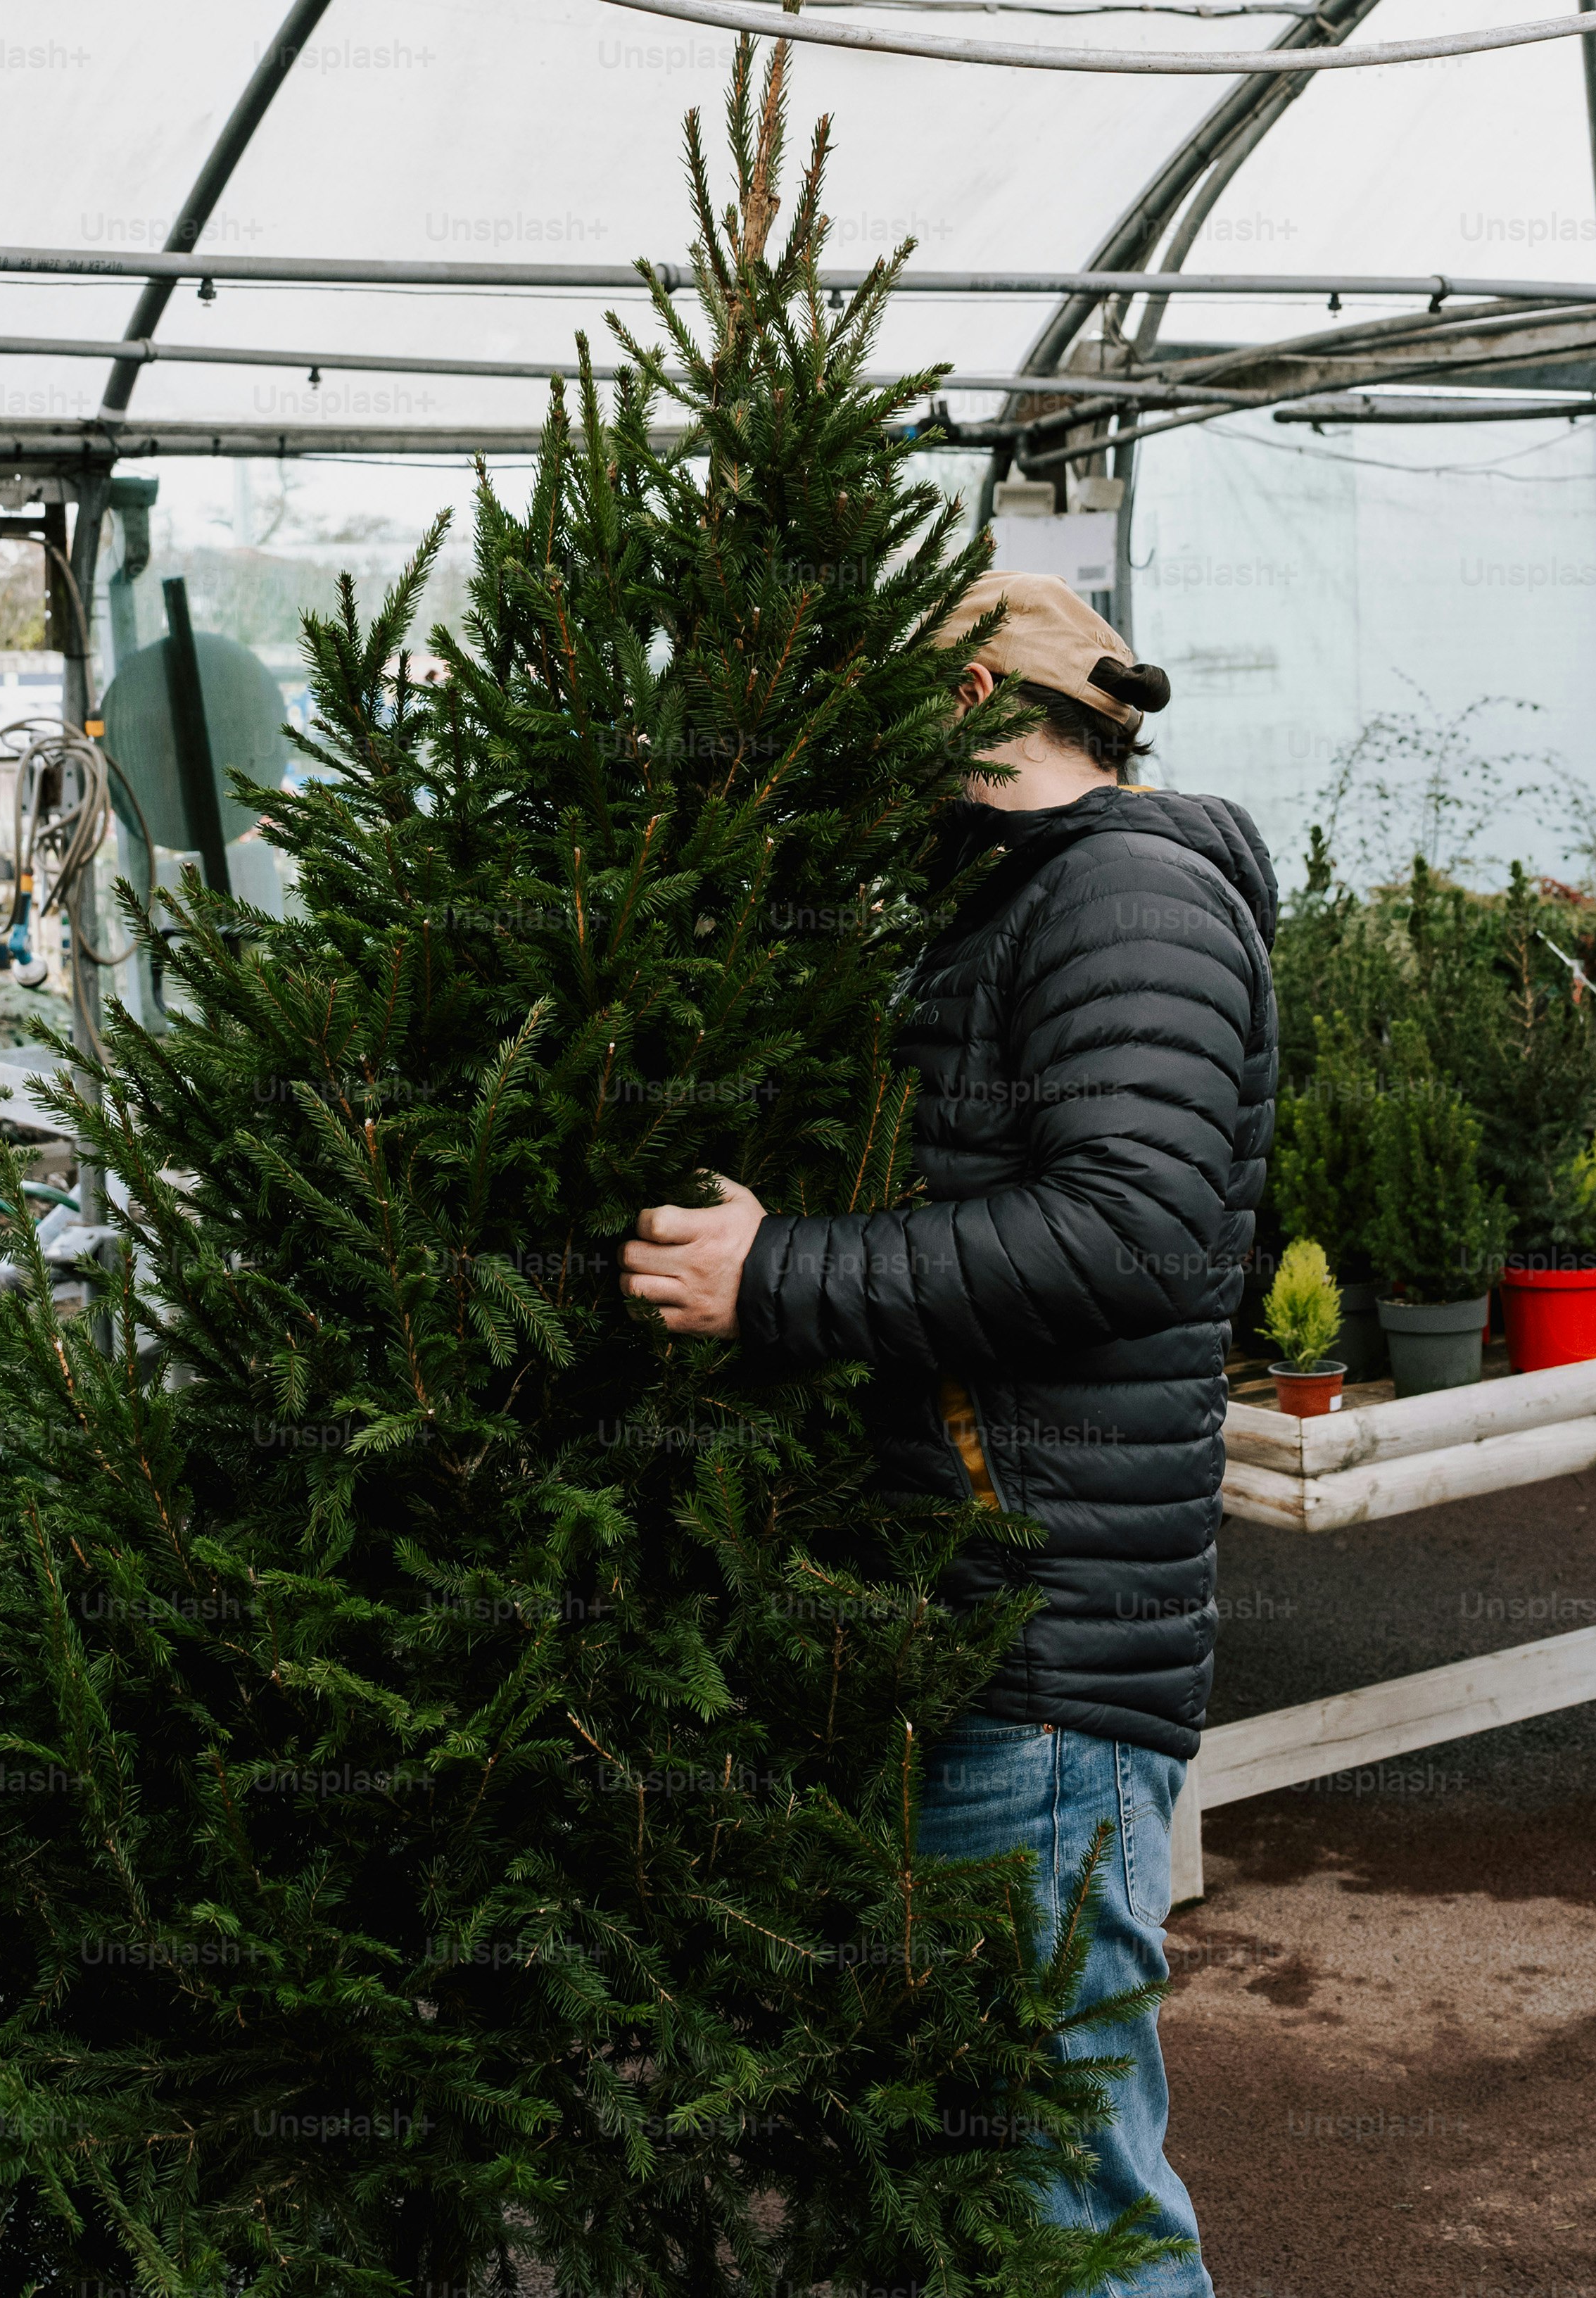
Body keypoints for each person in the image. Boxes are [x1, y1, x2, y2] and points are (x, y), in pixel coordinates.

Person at [616, 572, 1274, 2294]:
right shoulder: (1010, 899)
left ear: (979, 690)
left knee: (1065, 2195)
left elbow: (1124, 1226)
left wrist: (777, 1276)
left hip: (1047, 1645)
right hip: (966, 1625)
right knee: (977, 2174)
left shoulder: (1128, 897)